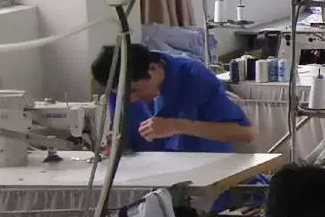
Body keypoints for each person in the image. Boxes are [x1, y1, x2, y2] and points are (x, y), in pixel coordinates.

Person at [91, 43, 253, 153]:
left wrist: (178, 126)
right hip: (153, 174)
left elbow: (244, 133)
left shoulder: (195, 78)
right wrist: (117, 146)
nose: (131, 100)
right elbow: (125, 139)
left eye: (135, 90)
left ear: (153, 68)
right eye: (122, 95)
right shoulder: (120, 91)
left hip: (206, 172)